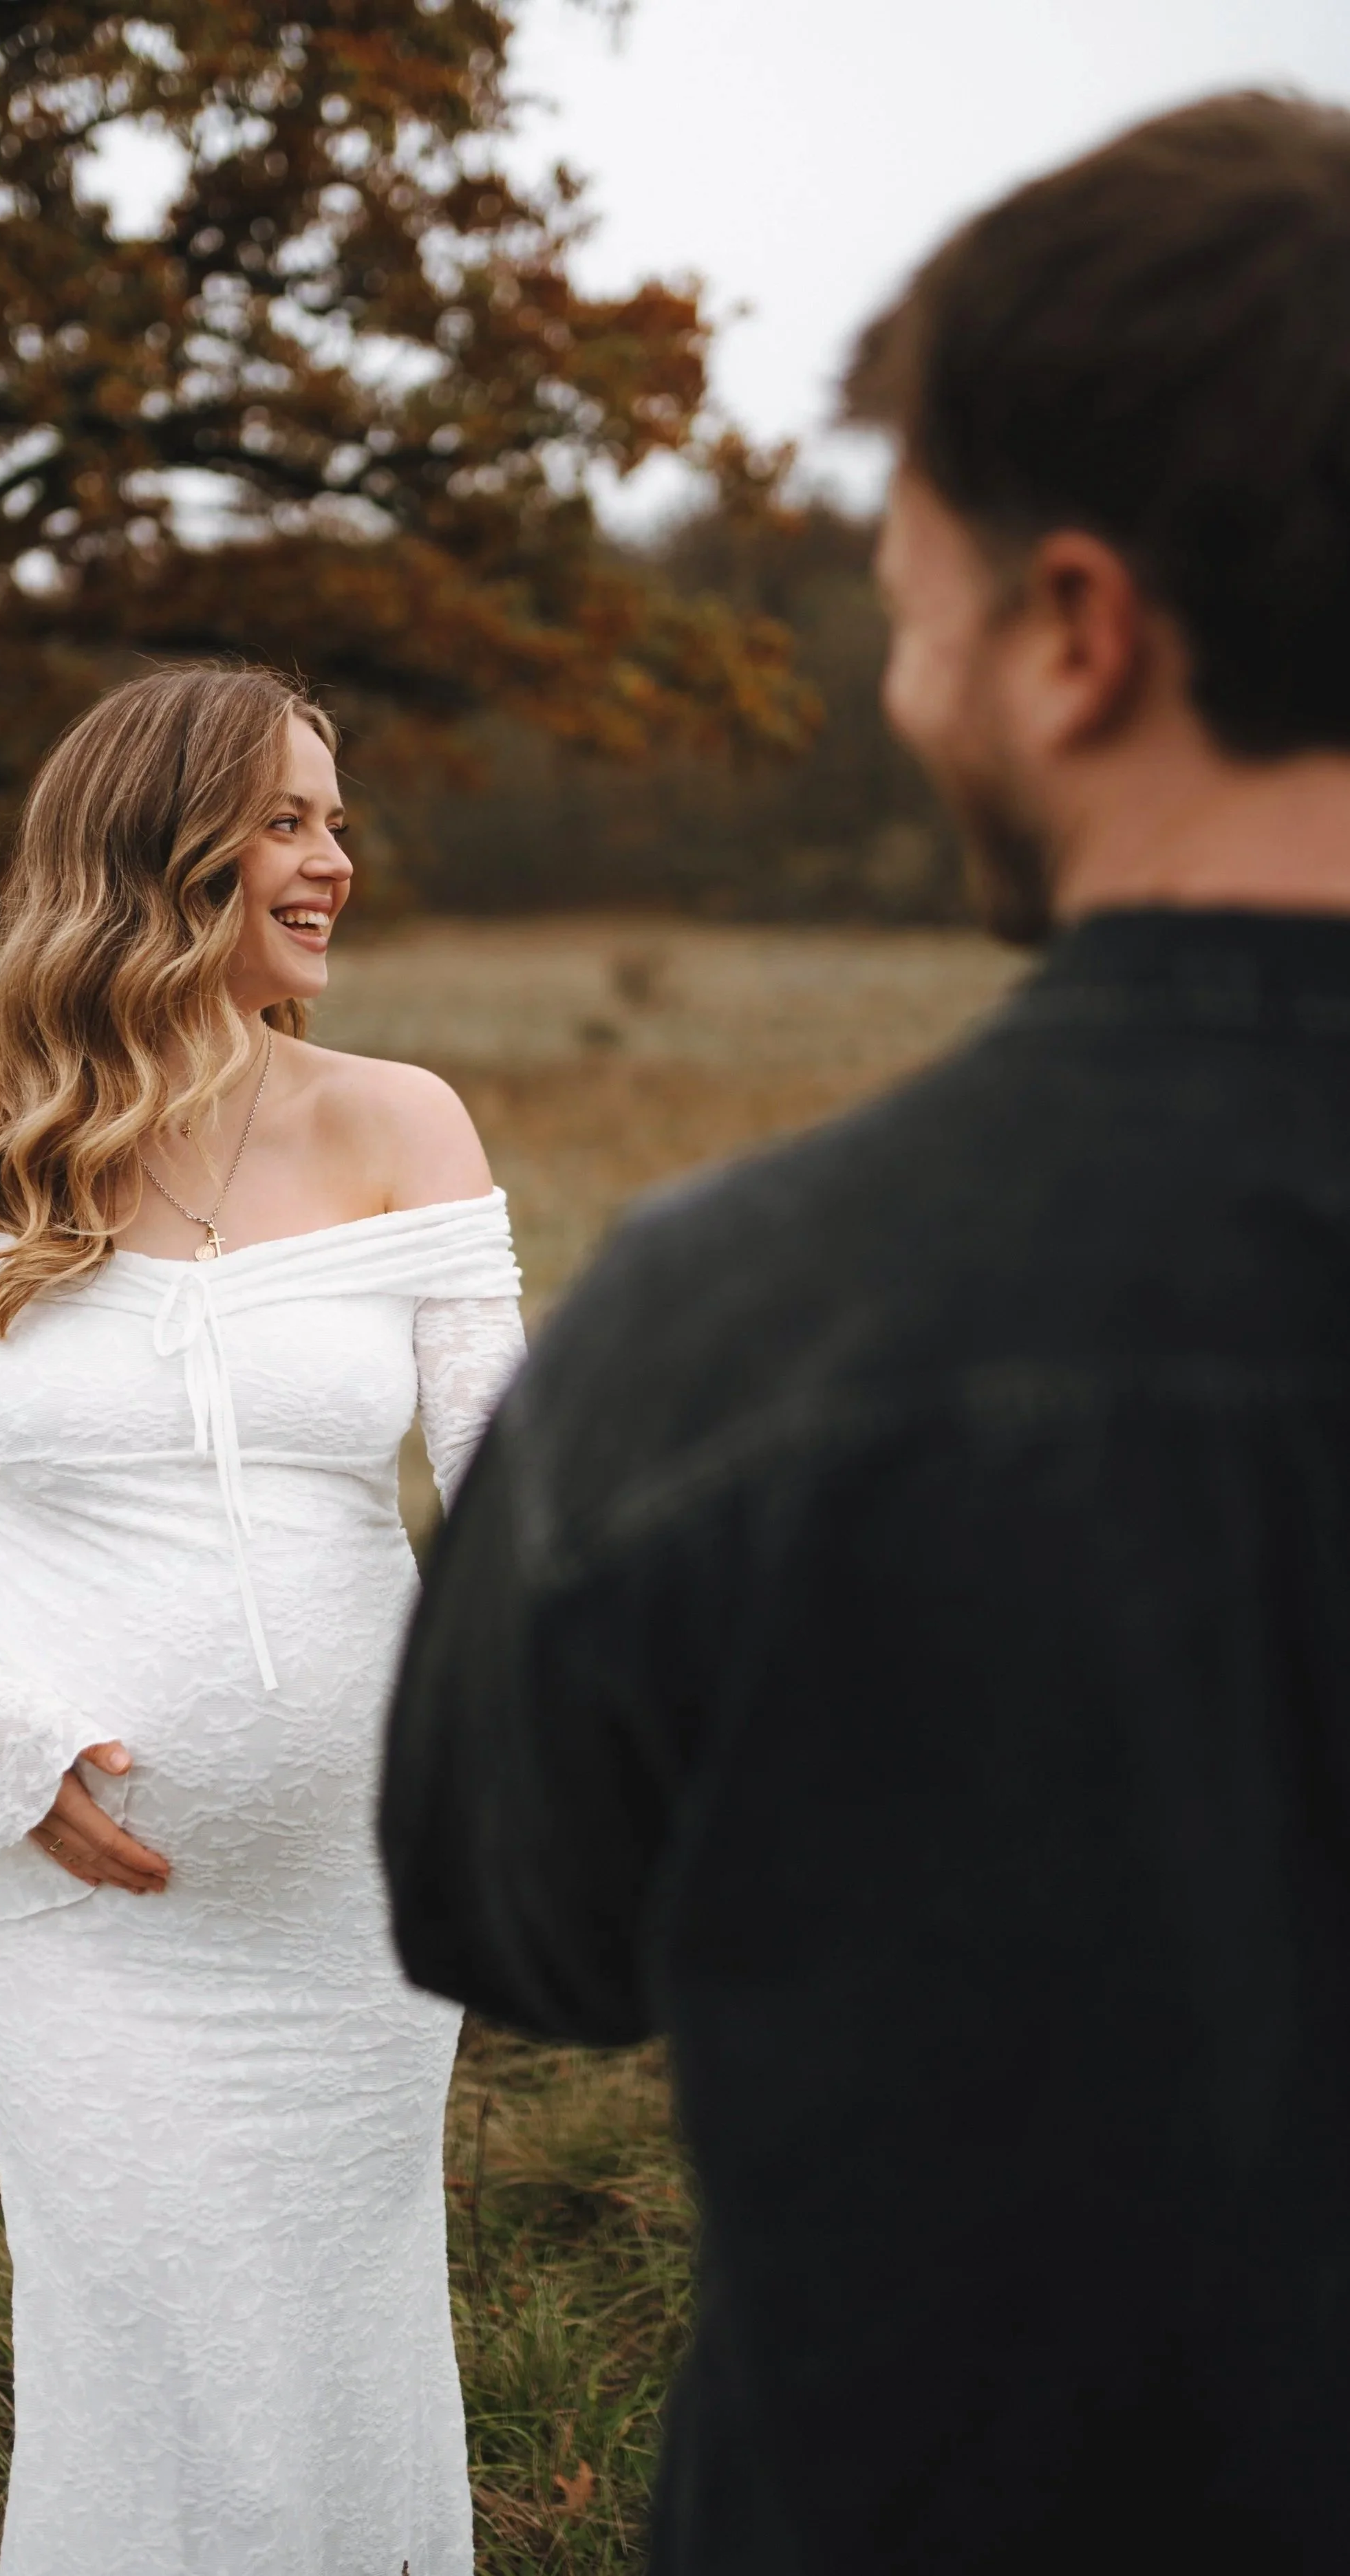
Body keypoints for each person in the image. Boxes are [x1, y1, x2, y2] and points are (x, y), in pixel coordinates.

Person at [380, 91, 1350, 2575]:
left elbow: (511, 1928)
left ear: (1075, 634)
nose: (903, 690)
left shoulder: (726, 1331)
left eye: (912, 610)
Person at [0, 665, 524, 2575]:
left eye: (337, 821)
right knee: (144, 2352)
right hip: (86, 1902)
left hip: (358, 1899)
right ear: (158, 848)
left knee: (343, 2347)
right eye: (286, 821)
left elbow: (509, 1484)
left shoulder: (404, 1126)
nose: (334, 862)